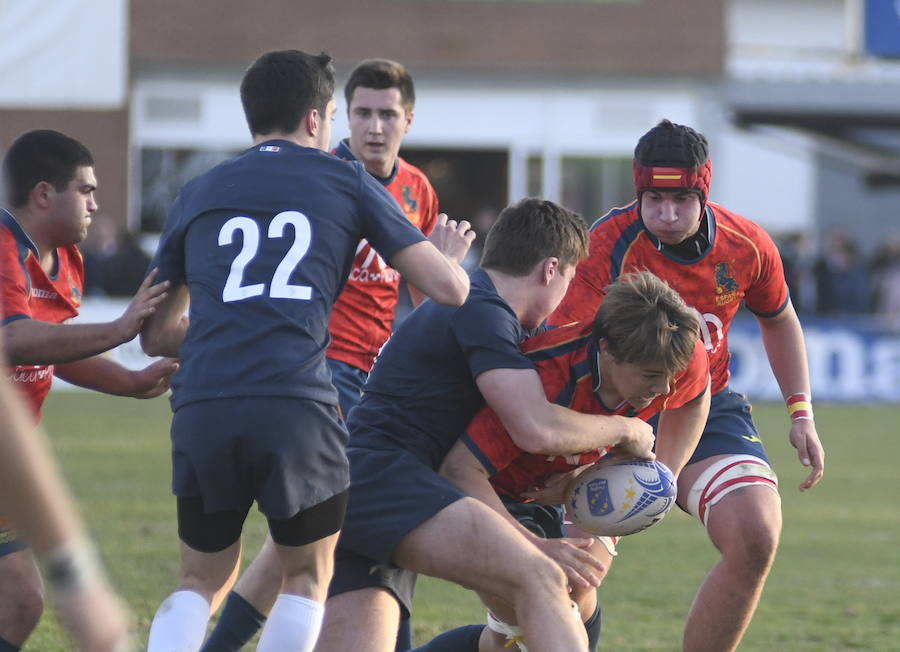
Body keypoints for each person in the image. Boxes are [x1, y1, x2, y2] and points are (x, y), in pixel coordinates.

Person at [139, 49, 470, 652]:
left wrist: (227, 328)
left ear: (251, 116)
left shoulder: (198, 190)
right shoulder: (346, 180)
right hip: (298, 401)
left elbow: (156, 335)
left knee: (198, 579)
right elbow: (449, 290)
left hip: (206, 401)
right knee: (305, 576)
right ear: (319, 119)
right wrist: (447, 257)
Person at [314, 198, 658, 652]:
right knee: (540, 576)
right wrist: (626, 430)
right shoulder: (485, 309)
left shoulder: (474, 303)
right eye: (571, 278)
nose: (563, 301)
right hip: (388, 480)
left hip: (362, 486)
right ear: (551, 269)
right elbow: (534, 427)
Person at [548, 119, 825, 652]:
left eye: (680, 199)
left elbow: (780, 318)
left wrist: (801, 411)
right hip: (611, 412)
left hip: (707, 407)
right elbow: (569, 351)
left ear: (704, 191)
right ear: (638, 191)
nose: (667, 214)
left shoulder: (747, 245)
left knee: (756, 535)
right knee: (572, 579)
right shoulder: (605, 246)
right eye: (654, 198)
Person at [420, 270, 710, 652]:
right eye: (652, 377)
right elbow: (460, 471)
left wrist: (657, 479)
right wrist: (532, 546)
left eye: (670, 377)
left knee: (570, 601)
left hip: (538, 492)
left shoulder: (671, 356)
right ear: (606, 349)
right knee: (543, 610)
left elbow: (694, 396)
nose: (664, 389)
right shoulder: (542, 380)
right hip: (483, 495)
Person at [0, 128, 178, 651]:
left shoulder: (68, 261)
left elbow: (54, 348)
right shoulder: (4, 247)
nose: (96, 204)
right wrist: (121, 331)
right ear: (43, 194)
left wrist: (130, 380)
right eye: (86, 190)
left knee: (20, 603)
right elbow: (14, 339)